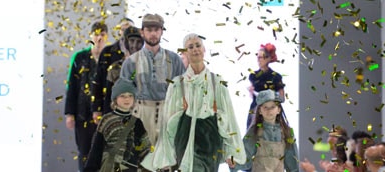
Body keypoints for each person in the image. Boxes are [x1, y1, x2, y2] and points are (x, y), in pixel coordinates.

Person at [142, 33, 246, 172]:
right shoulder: (177, 84)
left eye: (198, 45)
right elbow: (167, 121)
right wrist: (165, 157)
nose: (195, 49)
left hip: (209, 141)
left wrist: (232, 152)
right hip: (185, 140)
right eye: (190, 47)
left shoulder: (217, 82)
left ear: (204, 49)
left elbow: (229, 117)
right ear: (185, 52)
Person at [119, 13, 185, 145]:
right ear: (142, 32)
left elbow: (183, 90)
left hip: (168, 112)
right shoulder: (131, 62)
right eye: (149, 30)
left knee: (168, 154)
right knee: (141, 154)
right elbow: (123, 94)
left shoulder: (174, 59)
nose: (153, 34)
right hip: (140, 113)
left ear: (162, 31)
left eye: (156, 30)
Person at [65, 21, 109, 171]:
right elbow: (72, 86)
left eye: (102, 34)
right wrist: (70, 114)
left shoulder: (111, 57)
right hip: (82, 113)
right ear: (90, 36)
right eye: (96, 34)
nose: (99, 38)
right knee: (84, 152)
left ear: (107, 36)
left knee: (104, 153)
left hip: (105, 114)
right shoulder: (80, 57)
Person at [84, 78, 150, 172]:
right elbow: (97, 148)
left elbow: (145, 150)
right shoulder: (107, 120)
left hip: (132, 168)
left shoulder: (138, 122)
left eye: (130, 95)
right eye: (122, 96)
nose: (127, 99)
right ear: (115, 99)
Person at [234, 89, 299, 172]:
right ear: (260, 110)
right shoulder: (254, 131)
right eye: (265, 107)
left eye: (273, 107)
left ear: (279, 110)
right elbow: (245, 157)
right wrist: (234, 163)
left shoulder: (287, 133)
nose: (269, 110)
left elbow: (293, 164)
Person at [93, 19, 143, 120]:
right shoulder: (113, 64)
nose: (134, 45)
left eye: (137, 41)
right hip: (115, 111)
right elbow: (100, 83)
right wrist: (98, 109)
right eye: (131, 41)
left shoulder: (148, 65)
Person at [247, 43, 286, 126]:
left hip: (271, 112)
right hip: (256, 111)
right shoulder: (253, 76)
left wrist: (272, 99)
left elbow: (282, 98)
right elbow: (252, 97)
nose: (258, 60)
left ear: (268, 58)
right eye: (257, 57)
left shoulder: (276, 77)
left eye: (261, 57)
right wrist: (251, 91)